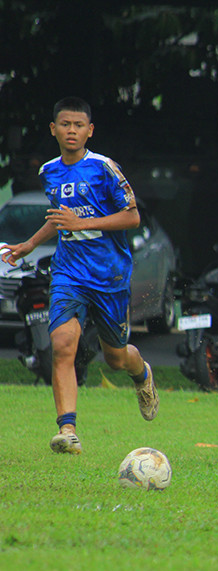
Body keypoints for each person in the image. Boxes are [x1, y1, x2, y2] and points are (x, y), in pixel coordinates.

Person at [0, 97, 159, 455]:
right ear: (53, 129)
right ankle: (67, 431)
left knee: (116, 358)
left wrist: (82, 223)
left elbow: (132, 216)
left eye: (78, 125)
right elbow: (60, 218)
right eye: (65, 124)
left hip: (109, 275)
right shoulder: (49, 171)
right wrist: (29, 244)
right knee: (61, 345)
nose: (71, 131)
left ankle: (142, 374)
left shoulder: (104, 168)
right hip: (69, 272)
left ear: (90, 131)